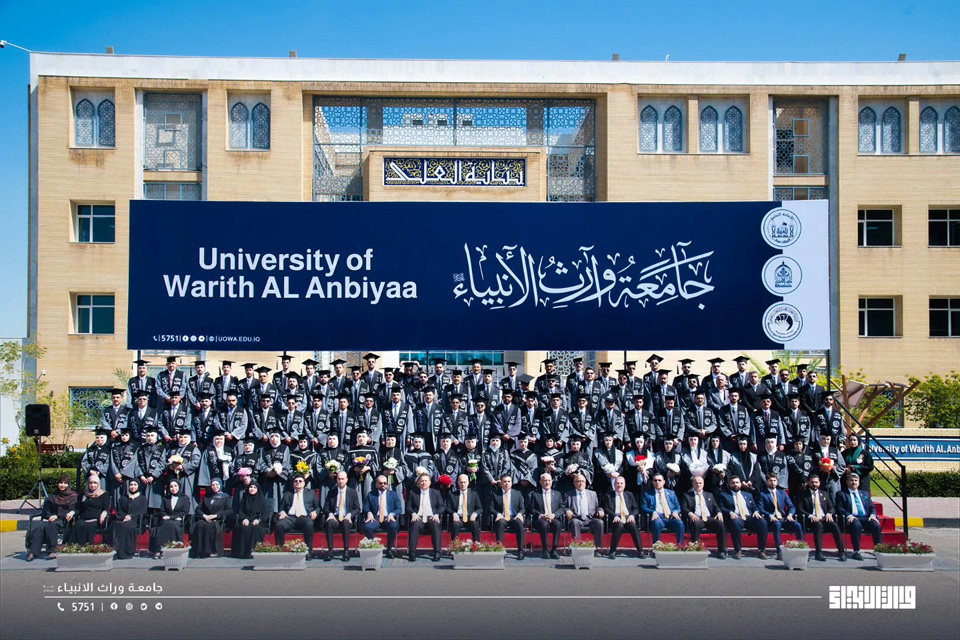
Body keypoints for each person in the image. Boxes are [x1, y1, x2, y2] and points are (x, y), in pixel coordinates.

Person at [26, 475, 77, 561]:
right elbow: (46, 511)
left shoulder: (73, 496)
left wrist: (57, 516)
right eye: (61, 482)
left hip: (64, 520)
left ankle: (52, 550)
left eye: (65, 483)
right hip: (51, 519)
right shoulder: (53, 496)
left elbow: (72, 510)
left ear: (68, 485)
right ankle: (33, 552)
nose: (62, 485)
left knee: (51, 526)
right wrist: (50, 516)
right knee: (38, 527)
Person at [718, 474, 769, 560]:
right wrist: (730, 512)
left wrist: (756, 512)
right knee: (735, 523)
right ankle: (738, 551)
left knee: (762, 522)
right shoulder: (724, 495)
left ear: (740, 483)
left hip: (748, 517)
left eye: (737, 482)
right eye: (733, 483)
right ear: (729, 484)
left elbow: (754, 507)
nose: (735, 484)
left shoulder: (748, 495)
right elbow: (721, 507)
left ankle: (761, 551)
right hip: (736, 517)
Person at [797, 474, 846, 562]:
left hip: (824, 517)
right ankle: (819, 552)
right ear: (808, 483)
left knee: (834, 525)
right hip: (811, 520)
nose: (814, 484)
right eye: (812, 482)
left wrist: (829, 513)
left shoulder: (824, 494)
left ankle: (841, 552)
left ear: (819, 483)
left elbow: (832, 507)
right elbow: (799, 508)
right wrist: (810, 515)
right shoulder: (803, 494)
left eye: (816, 482)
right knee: (818, 525)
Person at [835, 472, 883, 561]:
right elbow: (839, 508)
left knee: (876, 525)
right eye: (851, 480)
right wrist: (848, 515)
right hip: (852, 518)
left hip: (866, 518)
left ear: (859, 482)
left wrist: (873, 515)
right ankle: (856, 551)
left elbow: (872, 506)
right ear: (847, 482)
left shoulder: (865, 494)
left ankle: (879, 550)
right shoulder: (841, 494)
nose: (854, 482)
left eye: (856, 480)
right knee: (856, 524)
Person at [756, 473, 803, 560]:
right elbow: (760, 508)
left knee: (797, 525)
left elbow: (791, 506)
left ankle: (801, 550)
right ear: (766, 482)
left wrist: (790, 515)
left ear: (777, 482)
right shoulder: (763, 494)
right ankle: (779, 552)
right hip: (771, 519)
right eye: (770, 481)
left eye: (774, 481)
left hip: (783, 518)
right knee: (777, 525)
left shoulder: (782, 493)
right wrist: (769, 515)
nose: (773, 483)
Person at [274, 474, 320, 559]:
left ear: (304, 483)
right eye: (296, 481)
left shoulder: (311, 493)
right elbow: (281, 507)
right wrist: (282, 512)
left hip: (304, 517)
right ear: (293, 483)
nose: (298, 483)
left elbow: (318, 507)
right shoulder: (287, 493)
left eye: (300, 481)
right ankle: (280, 550)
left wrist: (315, 512)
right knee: (279, 525)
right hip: (290, 517)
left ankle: (308, 551)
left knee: (309, 524)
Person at [681, 475, 727, 559]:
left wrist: (719, 512)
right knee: (695, 525)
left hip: (708, 518)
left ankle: (722, 551)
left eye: (700, 483)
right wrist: (690, 513)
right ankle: (696, 550)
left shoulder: (709, 495)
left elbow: (715, 506)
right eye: (696, 483)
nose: (698, 485)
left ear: (703, 484)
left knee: (720, 524)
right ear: (693, 484)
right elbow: (684, 508)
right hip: (697, 517)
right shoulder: (687, 495)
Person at [603, 475, 645, 559]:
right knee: (619, 525)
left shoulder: (629, 495)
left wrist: (632, 515)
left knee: (633, 525)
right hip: (615, 518)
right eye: (617, 483)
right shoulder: (608, 495)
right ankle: (612, 551)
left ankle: (640, 551)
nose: (619, 485)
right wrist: (614, 515)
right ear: (614, 485)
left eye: (621, 483)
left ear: (625, 485)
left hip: (627, 517)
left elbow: (636, 508)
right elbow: (606, 508)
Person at [406, 473, 444, 562]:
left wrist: (437, 514)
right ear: (418, 482)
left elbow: (441, 507)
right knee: (415, 525)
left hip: (431, 516)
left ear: (430, 482)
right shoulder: (413, 492)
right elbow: (408, 506)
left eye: (426, 481)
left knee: (435, 524)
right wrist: (413, 513)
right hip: (418, 516)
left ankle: (437, 552)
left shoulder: (436, 493)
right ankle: (412, 552)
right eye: (422, 481)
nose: (424, 483)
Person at [323, 470, 360, 562]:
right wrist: (330, 513)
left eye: (343, 479)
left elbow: (357, 509)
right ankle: (330, 550)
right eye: (339, 479)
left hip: (347, 517)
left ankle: (346, 550)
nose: (341, 481)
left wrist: (350, 514)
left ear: (346, 480)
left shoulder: (352, 492)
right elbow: (325, 508)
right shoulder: (332, 492)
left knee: (345, 523)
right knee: (329, 523)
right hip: (335, 516)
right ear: (336, 480)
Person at [363, 475, 403, 558]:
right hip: (375, 518)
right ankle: (375, 547)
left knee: (394, 526)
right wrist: (369, 513)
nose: (383, 485)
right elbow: (365, 508)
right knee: (367, 527)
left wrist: (392, 514)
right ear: (376, 484)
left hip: (388, 517)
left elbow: (399, 509)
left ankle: (389, 549)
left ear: (387, 484)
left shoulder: (393, 495)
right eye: (380, 483)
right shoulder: (371, 494)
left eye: (385, 483)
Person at [191, 477, 232, 558]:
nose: (215, 486)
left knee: (209, 526)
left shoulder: (225, 497)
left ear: (220, 485)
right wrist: (204, 516)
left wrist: (215, 516)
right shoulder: (206, 496)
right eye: (213, 485)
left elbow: (229, 511)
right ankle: (200, 551)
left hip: (218, 519)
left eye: (217, 484)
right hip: (206, 518)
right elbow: (198, 509)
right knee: (200, 525)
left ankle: (209, 551)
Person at [150, 478, 190, 558]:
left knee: (173, 525)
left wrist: (171, 517)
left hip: (178, 520)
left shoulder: (185, 498)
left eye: (175, 486)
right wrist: (165, 516)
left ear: (179, 486)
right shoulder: (165, 498)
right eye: (171, 486)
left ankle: (172, 548)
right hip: (167, 520)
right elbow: (162, 510)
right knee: (163, 526)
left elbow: (184, 511)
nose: (173, 488)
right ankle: (160, 549)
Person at [640, 472, 685, 545]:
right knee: (656, 523)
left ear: (664, 482)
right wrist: (653, 512)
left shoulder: (671, 493)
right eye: (655, 480)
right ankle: (657, 546)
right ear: (652, 482)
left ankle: (680, 546)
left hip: (671, 518)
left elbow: (678, 507)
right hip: (658, 517)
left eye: (659, 480)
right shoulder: (648, 494)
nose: (657, 482)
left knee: (680, 523)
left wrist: (676, 511)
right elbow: (643, 507)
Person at [527, 472, 564, 559]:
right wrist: (541, 515)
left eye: (549, 480)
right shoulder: (535, 494)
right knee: (544, 525)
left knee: (557, 524)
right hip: (540, 519)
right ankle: (545, 549)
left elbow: (562, 508)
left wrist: (554, 515)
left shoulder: (557, 494)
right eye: (545, 480)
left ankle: (554, 549)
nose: (547, 482)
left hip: (553, 518)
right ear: (540, 482)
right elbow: (531, 508)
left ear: (552, 481)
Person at [490, 473, 526, 560]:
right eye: (505, 482)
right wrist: (497, 514)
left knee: (520, 524)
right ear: (501, 483)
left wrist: (520, 514)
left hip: (514, 517)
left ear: (512, 483)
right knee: (500, 524)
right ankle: (500, 550)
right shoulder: (495, 494)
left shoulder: (517, 494)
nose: (507, 483)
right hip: (502, 516)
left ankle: (520, 551)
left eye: (509, 481)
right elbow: (490, 508)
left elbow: (523, 508)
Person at [564, 472, 604, 547]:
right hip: (576, 518)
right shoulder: (568, 494)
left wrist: (600, 510)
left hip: (590, 518)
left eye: (582, 481)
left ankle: (598, 547)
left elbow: (598, 506)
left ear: (585, 483)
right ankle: (577, 546)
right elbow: (564, 507)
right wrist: (567, 510)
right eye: (578, 481)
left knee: (600, 522)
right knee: (574, 522)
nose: (581, 483)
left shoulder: (593, 494)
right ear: (574, 483)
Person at [111, 478, 147, 559]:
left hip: (136, 521)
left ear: (138, 486)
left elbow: (143, 511)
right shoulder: (123, 498)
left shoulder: (142, 499)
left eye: (135, 485)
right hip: (123, 519)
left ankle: (125, 552)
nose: (133, 487)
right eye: (131, 485)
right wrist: (124, 516)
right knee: (115, 525)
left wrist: (131, 517)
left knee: (126, 526)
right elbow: (119, 510)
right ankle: (115, 551)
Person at [232, 482, 269, 559]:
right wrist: (244, 519)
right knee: (243, 528)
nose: (252, 489)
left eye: (255, 487)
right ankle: (242, 553)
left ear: (258, 489)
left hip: (258, 521)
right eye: (251, 487)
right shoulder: (244, 498)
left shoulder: (262, 500)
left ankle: (253, 552)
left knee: (255, 528)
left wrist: (258, 520)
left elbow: (265, 514)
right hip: (246, 520)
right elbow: (241, 511)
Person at [71, 474, 110, 544]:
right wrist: (72, 512)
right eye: (91, 483)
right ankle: (76, 546)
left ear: (98, 484)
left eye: (95, 483)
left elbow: (106, 508)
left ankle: (89, 546)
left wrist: (104, 513)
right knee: (78, 525)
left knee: (89, 526)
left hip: (96, 520)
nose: (92, 485)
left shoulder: (104, 494)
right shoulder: (84, 494)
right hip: (84, 519)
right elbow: (79, 508)